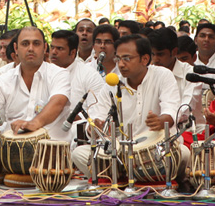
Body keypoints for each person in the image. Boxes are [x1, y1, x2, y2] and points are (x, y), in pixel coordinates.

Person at [71, 35, 189, 182]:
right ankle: (124, 178)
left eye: (126, 58)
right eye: (118, 59)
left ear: (144, 59)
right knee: (79, 154)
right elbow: (97, 116)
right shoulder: (112, 83)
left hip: (158, 150)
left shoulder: (162, 75)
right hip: (122, 152)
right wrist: (94, 127)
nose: (120, 64)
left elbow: (171, 108)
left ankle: (121, 178)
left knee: (183, 153)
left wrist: (161, 120)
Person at [0, 27, 71, 141]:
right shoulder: (4, 80)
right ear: (16, 48)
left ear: (44, 47)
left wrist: (35, 123)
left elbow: (58, 103)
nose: (31, 48)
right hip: (12, 152)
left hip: (51, 151)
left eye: (36, 43)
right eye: (25, 44)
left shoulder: (59, 74)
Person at [48, 30, 107, 125]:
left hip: (75, 134)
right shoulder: (41, 73)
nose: (54, 52)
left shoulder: (90, 75)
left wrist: (68, 116)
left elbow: (98, 112)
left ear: (72, 53)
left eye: (60, 49)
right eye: (52, 47)